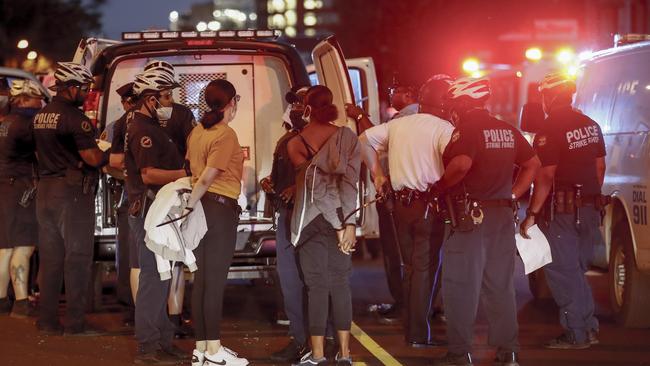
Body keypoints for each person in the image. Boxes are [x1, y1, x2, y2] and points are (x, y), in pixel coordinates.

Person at [431, 77, 540, 366]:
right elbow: (533, 164)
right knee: (500, 286)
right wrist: (513, 193)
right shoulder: (507, 129)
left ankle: (459, 353)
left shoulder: (466, 130)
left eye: (454, 105)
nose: (452, 110)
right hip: (502, 216)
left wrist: (440, 187)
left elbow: (462, 164)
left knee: (460, 285)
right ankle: (509, 353)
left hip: (470, 218)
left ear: (464, 103)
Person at [359, 75, 454, 347]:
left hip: (401, 206)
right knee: (425, 269)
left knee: (412, 268)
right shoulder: (444, 128)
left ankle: (413, 330)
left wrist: (378, 175)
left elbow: (363, 140)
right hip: (428, 206)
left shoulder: (398, 125)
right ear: (444, 102)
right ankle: (417, 335)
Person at [520, 72, 605, 350]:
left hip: (562, 212)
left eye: (543, 95)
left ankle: (575, 334)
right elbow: (599, 168)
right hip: (590, 208)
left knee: (562, 272)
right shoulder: (590, 124)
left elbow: (545, 177)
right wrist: (588, 197)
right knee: (576, 271)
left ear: (549, 96)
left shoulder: (549, 130)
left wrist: (532, 213)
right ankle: (588, 328)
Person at [32, 62, 110, 335]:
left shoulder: (41, 115)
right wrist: (107, 154)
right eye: (85, 88)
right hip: (72, 193)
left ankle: (47, 321)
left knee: (51, 259)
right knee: (77, 257)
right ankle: (75, 324)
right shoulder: (77, 119)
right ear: (72, 87)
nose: (87, 93)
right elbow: (92, 157)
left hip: (46, 191)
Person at [287, 85, 360, 366]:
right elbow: (350, 183)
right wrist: (348, 223)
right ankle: (344, 354)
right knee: (341, 284)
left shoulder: (295, 143)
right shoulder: (348, 137)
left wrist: (340, 224)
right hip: (341, 217)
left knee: (316, 286)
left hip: (310, 221)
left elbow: (315, 187)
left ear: (307, 107)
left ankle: (317, 356)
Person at [183, 79, 248, 366]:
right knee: (215, 282)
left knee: (202, 282)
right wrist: (191, 202)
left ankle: (202, 349)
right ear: (231, 103)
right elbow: (209, 176)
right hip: (218, 210)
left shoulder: (197, 132)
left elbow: (193, 170)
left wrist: (191, 207)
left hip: (201, 211)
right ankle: (213, 352)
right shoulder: (226, 134)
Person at [125, 69, 188, 364]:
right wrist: (188, 175)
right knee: (153, 277)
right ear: (150, 99)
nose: (170, 101)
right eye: (166, 96)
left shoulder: (151, 124)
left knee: (163, 277)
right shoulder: (143, 129)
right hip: (150, 211)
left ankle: (162, 340)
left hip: (160, 210)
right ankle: (147, 346)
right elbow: (148, 174)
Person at [143, 59, 196, 336]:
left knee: (159, 260)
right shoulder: (183, 115)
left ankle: (159, 319)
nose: (170, 99)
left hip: (153, 195)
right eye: (167, 93)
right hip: (171, 192)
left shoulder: (136, 118)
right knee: (174, 257)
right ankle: (171, 320)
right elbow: (193, 147)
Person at [264, 86, 311, 363]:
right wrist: (270, 185)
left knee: (310, 281)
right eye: (293, 103)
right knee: (290, 281)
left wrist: (297, 186)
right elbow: (277, 175)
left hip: (308, 219)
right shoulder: (286, 139)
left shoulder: (321, 137)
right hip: (286, 217)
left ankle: (317, 340)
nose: (295, 108)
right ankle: (299, 339)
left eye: (302, 102)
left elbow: (323, 172)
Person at [0, 80, 44, 317]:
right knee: (24, 246)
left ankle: (1, 300)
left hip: (4, 187)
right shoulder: (26, 124)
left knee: (5, 247)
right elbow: (42, 153)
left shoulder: (5, 122)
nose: (41, 104)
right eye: (37, 99)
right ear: (25, 99)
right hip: (20, 188)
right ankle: (21, 301)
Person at [105, 81, 138, 326]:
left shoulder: (118, 126)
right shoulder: (115, 127)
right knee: (130, 255)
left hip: (135, 194)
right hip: (131, 194)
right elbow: (107, 163)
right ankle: (131, 307)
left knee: (134, 254)